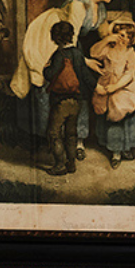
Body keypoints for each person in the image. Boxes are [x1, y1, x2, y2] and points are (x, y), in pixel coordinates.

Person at [8, 0, 124, 151]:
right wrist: (85, 62)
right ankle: (45, 137)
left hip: (70, 42)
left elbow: (103, 30)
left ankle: (75, 137)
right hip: (54, 35)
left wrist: (115, 35)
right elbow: (71, 38)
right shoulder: (79, 5)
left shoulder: (100, 8)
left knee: (75, 83)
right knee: (47, 76)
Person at [87, 13, 135, 168]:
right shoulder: (108, 49)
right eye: (119, 35)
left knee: (118, 110)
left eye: (126, 36)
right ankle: (107, 144)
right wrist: (106, 40)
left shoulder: (130, 53)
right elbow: (93, 53)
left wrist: (115, 87)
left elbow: (129, 74)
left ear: (131, 39)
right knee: (102, 110)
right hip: (106, 84)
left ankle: (118, 152)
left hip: (123, 87)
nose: (122, 38)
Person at [38, 21, 88, 176]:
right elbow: (85, 76)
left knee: (54, 132)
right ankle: (71, 163)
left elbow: (50, 75)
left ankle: (60, 165)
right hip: (76, 101)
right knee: (71, 134)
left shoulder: (59, 55)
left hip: (61, 101)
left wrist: (46, 68)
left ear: (55, 37)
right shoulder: (78, 53)